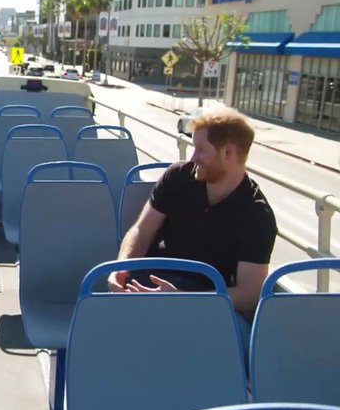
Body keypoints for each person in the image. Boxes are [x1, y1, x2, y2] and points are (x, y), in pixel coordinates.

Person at [107, 108, 277, 343]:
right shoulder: (177, 176)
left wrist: (184, 298)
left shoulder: (256, 214)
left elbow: (250, 294)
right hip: (149, 284)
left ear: (227, 152)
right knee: (102, 323)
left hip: (207, 302)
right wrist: (121, 268)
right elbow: (142, 230)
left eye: (201, 150)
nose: (193, 157)